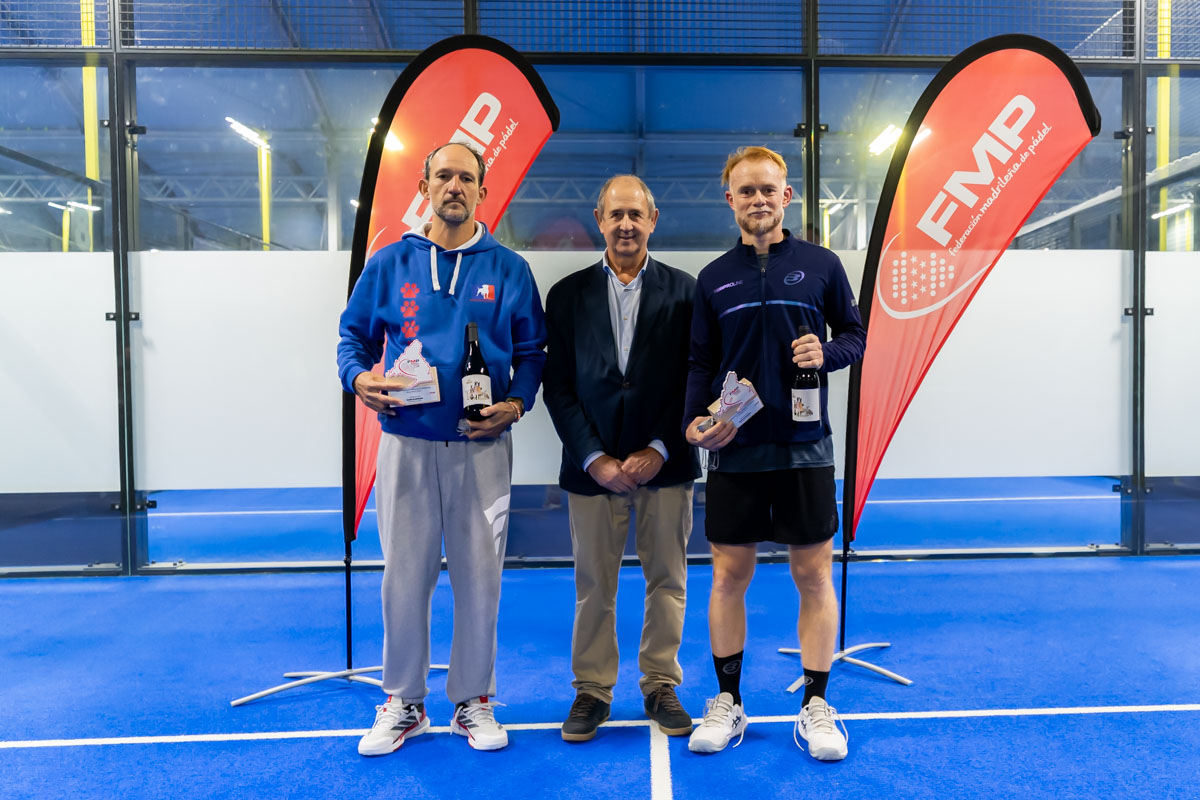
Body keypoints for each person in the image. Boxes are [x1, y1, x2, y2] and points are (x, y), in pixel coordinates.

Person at [337, 142, 547, 756]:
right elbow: (352, 338)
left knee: (481, 579)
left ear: (483, 190)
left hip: (483, 450)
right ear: (424, 185)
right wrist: (358, 378)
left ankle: (473, 700)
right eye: (444, 176)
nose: (455, 186)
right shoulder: (389, 263)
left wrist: (516, 404)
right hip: (405, 444)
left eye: (466, 178)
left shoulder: (509, 269)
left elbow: (533, 353)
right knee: (404, 578)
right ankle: (403, 701)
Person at [683, 146, 866, 760]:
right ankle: (728, 701)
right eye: (746, 191)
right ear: (729, 200)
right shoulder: (714, 278)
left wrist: (828, 354)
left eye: (768, 189)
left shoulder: (822, 265)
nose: (758, 200)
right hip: (735, 451)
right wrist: (693, 423)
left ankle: (816, 705)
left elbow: (856, 336)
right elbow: (701, 364)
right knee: (728, 577)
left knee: (813, 575)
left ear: (787, 196)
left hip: (805, 451)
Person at [542, 175, 700, 742]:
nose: (626, 225)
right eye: (617, 215)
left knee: (668, 581)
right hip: (592, 472)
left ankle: (660, 683)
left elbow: (694, 380)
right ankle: (592, 690)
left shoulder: (687, 292)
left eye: (636, 214)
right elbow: (558, 387)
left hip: (667, 465)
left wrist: (659, 448)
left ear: (653, 220)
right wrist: (593, 458)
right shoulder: (566, 295)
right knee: (593, 586)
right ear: (599, 220)